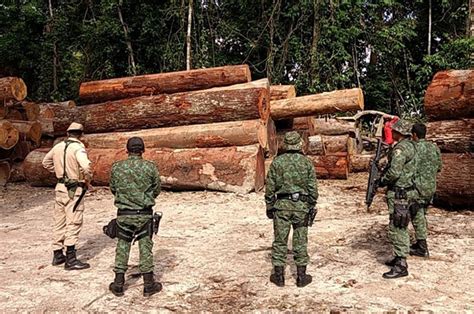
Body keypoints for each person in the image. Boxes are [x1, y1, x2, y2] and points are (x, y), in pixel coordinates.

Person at [108, 137, 162, 297]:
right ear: (143, 150)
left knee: (122, 246)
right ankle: (148, 284)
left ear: (127, 150)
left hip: (124, 214)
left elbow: (113, 188)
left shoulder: (117, 167)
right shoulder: (150, 167)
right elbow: (157, 189)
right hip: (144, 214)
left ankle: (118, 284)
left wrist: (127, 199)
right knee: (145, 247)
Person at [265, 131, 318, 287]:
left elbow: (270, 188)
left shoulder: (277, 162)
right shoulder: (307, 163)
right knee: (300, 242)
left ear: (286, 145)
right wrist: (311, 204)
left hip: (281, 208)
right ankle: (301, 277)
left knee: (280, 241)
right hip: (301, 207)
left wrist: (269, 205)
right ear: (299, 144)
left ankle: (279, 277)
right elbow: (313, 189)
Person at [42, 122, 92, 270]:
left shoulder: (57, 147)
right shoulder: (78, 148)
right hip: (74, 189)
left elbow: (45, 162)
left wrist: (59, 173)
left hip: (60, 187)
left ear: (68, 133)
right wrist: (87, 178)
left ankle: (57, 254)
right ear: (81, 134)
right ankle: (70, 258)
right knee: (74, 221)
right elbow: (86, 166)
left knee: (59, 220)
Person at [379, 119, 418, 279]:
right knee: (401, 222)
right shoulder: (412, 146)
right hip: (408, 191)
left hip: (399, 192)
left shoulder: (400, 149)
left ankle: (401, 264)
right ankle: (398, 256)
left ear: (400, 132)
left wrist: (383, 180)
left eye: (394, 130)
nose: (392, 132)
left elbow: (394, 172)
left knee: (397, 226)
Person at [410, 123, 442, 257]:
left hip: (418, 188)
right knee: (422, 215)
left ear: (414, 135)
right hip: (431, 187)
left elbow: (409, 169)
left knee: (417, 215)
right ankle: (420, 242)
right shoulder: (434, 148)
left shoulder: (414, 148)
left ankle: (422, 247)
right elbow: (439, 167)